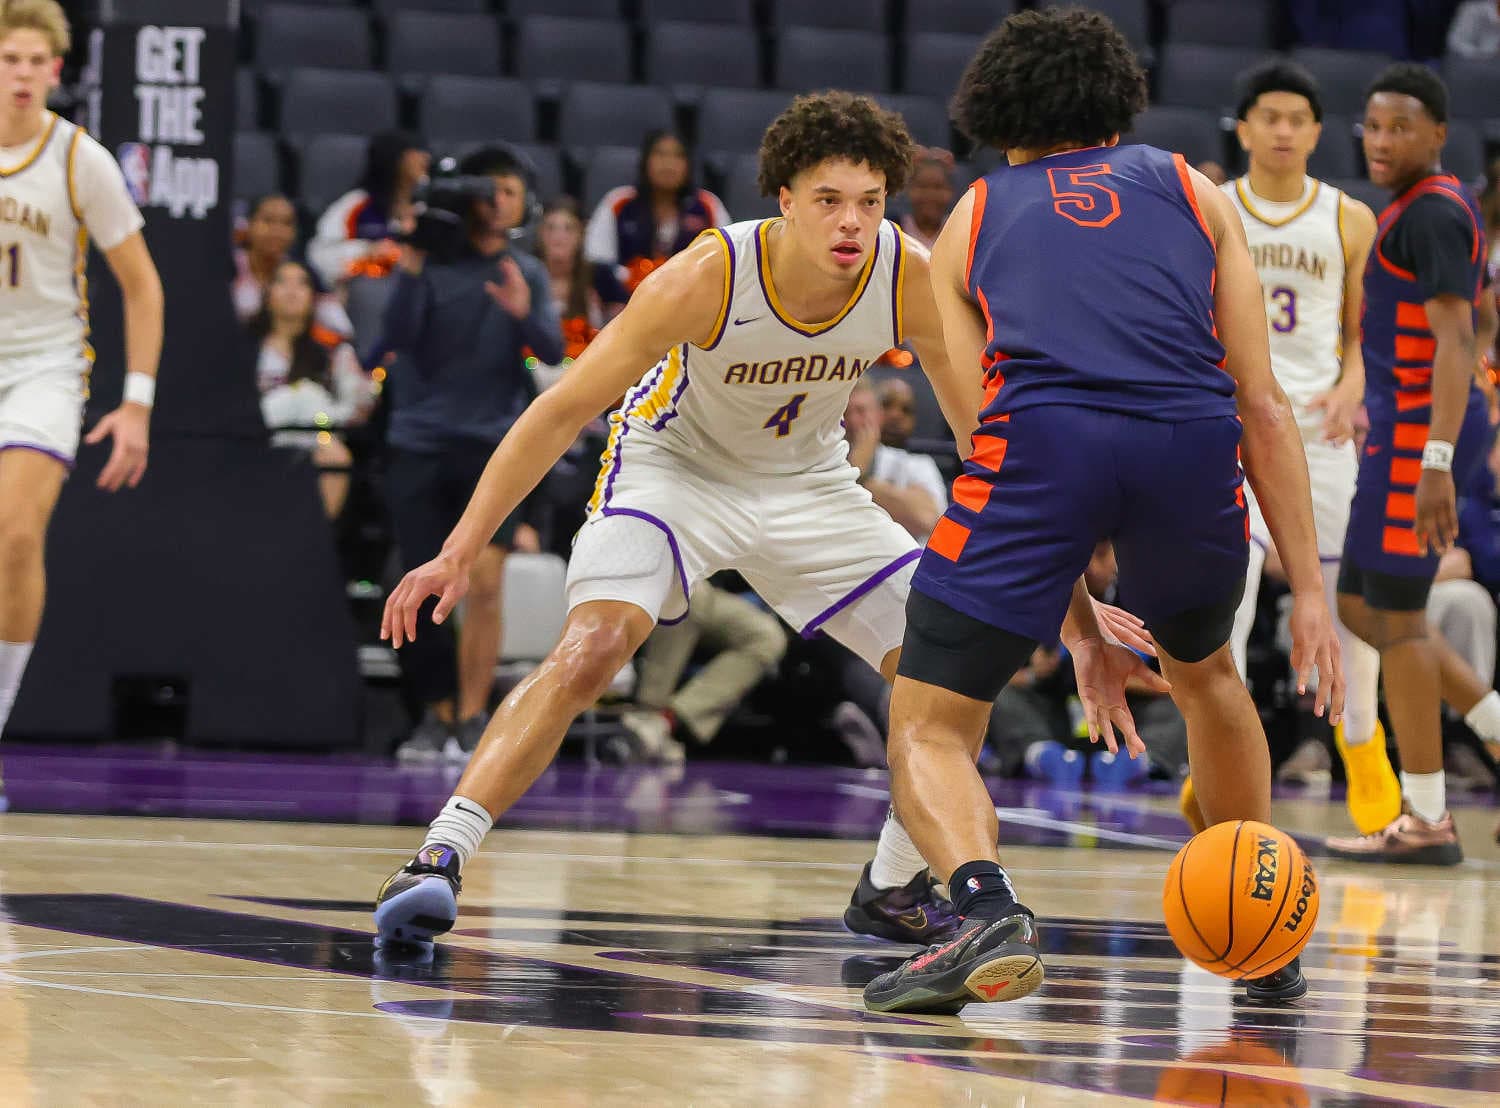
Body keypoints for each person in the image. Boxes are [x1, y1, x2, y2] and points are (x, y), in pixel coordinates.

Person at [369, 90, 1154, 952]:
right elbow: (560, 409)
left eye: (869, 202)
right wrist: (457, 551)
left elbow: (994, 457)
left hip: (809, 486)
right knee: (593, 647)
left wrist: (1078, 623)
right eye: (828, 200)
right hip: (674, 470)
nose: (852, 224)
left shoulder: (908, 274)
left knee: (955, 671)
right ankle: (438, 858)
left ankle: (892, 887)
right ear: (783, 200)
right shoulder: (707, 276)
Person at [861, 9, 1342, 1015]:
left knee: (930, 723)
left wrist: (1076, 620)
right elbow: (1261, 399)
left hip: (1044, 444)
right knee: (1209, 676)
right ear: (1117, 99)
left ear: (997, 110)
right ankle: (1262, 934)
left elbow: (983, 428)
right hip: (1188, 442)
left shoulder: (974, 217)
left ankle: (987, 910)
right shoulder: (1190, 186)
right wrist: (1307, 589)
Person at [1179, 62, 1387, 832]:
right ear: (1244, 127)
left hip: (1317, 431)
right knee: (1219, 607)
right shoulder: (1210, 207)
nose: (1284, 130)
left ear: (1317, 131)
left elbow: (1368, 334)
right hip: (1226, 426)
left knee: (1344, 608)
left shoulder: (1348, 218)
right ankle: (1214, 765)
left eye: (1298, 118)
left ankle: (1362, 745)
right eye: (1269, 116)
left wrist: (1354, 383)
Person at [1325, 65, 1498, 865]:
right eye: (1373, 125)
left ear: (1438, 133)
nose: (1383, 140)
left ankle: (1426, 818)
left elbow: (1461, 340)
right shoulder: (1436, 208)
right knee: (1364, 610)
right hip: (1409, 434)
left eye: (1401, 127)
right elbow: (1485, 317)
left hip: (1417, 443)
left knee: (1393, 622)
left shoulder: (1429, 213)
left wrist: (1435, 456)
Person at [0, 0, 163, 808]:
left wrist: (135, 404)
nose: (23, 74)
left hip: (44, 366)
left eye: (36, 61)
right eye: (9, 59)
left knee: (17, 534)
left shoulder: (78, 159)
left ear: (56, 71)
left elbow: (142, 285)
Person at [380, 144, 559, 763]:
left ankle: (475, 717)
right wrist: (408, 263)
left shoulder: (525, 271)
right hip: (419, 439)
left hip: (494, 447)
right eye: (488, 190)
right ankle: (436, 713)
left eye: (508, 191)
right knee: (422, 583)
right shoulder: (428, 264)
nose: (497, 201)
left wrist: (523, 315)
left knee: (483, 584)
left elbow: (553, 348)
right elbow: (390, 341)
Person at [248, 260, 373, 518]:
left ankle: (320, 535)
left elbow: (357, 408)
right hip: (256, 436)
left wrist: (319, 411)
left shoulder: (333, 351)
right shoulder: (245, 347)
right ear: (268, 292)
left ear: (313, 297)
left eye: (302, 283)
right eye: (282, 281)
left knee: (336, 457)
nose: (292, 290)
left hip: (313, 436)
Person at [584, 130, 729, 293]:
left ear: (688, 163)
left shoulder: (708, 206)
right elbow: (597, 259)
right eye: (660, 154)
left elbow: (726, 262)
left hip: (691, 302)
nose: (668, 163)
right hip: (625, 304)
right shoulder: (618, 202)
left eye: (678, 155)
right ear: (645, 160)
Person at [307, 130, 429, 292]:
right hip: (365, 295)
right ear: (394, 157)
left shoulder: (428, 208)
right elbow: (319, 255)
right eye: (416, 151)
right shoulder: (357, 204)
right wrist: (366, 250)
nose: (425, 157)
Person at [533, 196, 628, 389]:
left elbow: (625, 330)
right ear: (540, 233)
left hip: (588, 377)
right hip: (532, 375)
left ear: (581, 234)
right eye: (551, 228)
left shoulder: (601, 276)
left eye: (568, 228)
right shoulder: (523, 275)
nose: (559, 236)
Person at [232, 193, 352, 338]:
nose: (277, 231)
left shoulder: (306, 273)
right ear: (248, 225)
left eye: (287, 223)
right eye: (268, 220)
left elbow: (342, 331)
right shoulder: (226, 268)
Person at [898, 148, 956, 251]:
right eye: (922, 186)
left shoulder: (962, 233)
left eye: (938, 187)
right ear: (909, 189)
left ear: (950, 192)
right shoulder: (892, 233)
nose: (930, 195)